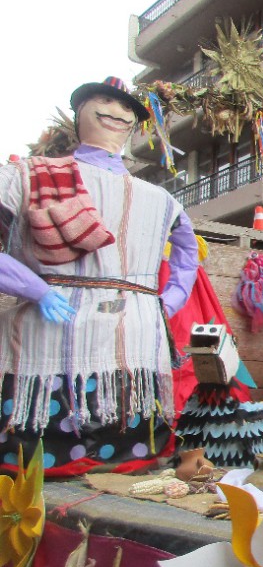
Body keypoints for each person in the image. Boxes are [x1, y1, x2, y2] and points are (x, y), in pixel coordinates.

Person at [0, 77, 198, 475]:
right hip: (49, 326)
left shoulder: (161, 199)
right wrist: (34, 288)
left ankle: (125, 456)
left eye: (127, 108)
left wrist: (168, 302)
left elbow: (188, 253)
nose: (117, 110)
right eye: (104, 100)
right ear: (80, 112)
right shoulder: (27, 176)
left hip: (135, 334)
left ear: (134, 124)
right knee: (35, 453)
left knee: (133, 447)